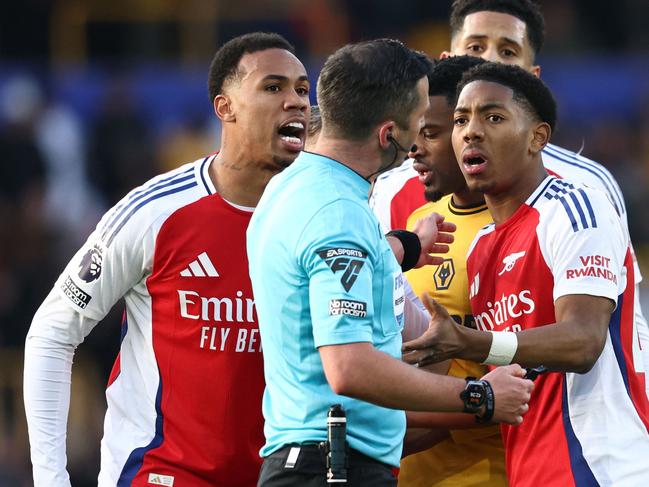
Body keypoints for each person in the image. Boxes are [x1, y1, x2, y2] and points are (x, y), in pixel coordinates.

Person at [23, 32, 310, 487]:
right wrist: (49, 479)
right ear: (225, 107)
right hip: (161, 474)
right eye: (273, 87)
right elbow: (52, 331)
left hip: (276, 477)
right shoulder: (156, 211)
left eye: (302, 89)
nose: (294, 101)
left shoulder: (320, 218)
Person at [247, 39, 533, 486]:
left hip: (310, 457)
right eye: (419, 123)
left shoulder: (292, 187)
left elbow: (322, 267)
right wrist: (479, 394)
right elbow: (350, 367)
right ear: (388, 134)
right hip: (334, 467)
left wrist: (402, 249)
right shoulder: (339, 214)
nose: (419, 140)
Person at [370, 0, 649, 395]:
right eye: (476, 47)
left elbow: (619, 325)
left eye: (507, 52)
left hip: (556, 434)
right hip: (444, 438)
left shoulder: (583, 186)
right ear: (447, 59)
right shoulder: (395, 187)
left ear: (532, 75)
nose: (486, 62)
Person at [403, 62, 649, 486]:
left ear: (538, 137)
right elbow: (507, 381)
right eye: (462, 120)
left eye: (493, 117)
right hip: (530, 471)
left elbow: (584, 341)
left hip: (600, 466)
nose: (472, 131)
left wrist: (468, 342)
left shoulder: (574, 208)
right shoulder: (480, 247)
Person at [394, 55, 511, 487]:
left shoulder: (518, 231)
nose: (415, 148)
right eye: (414, 132)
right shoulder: (420, 224)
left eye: (431, 133)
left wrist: (377, 438)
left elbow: (516, 386)